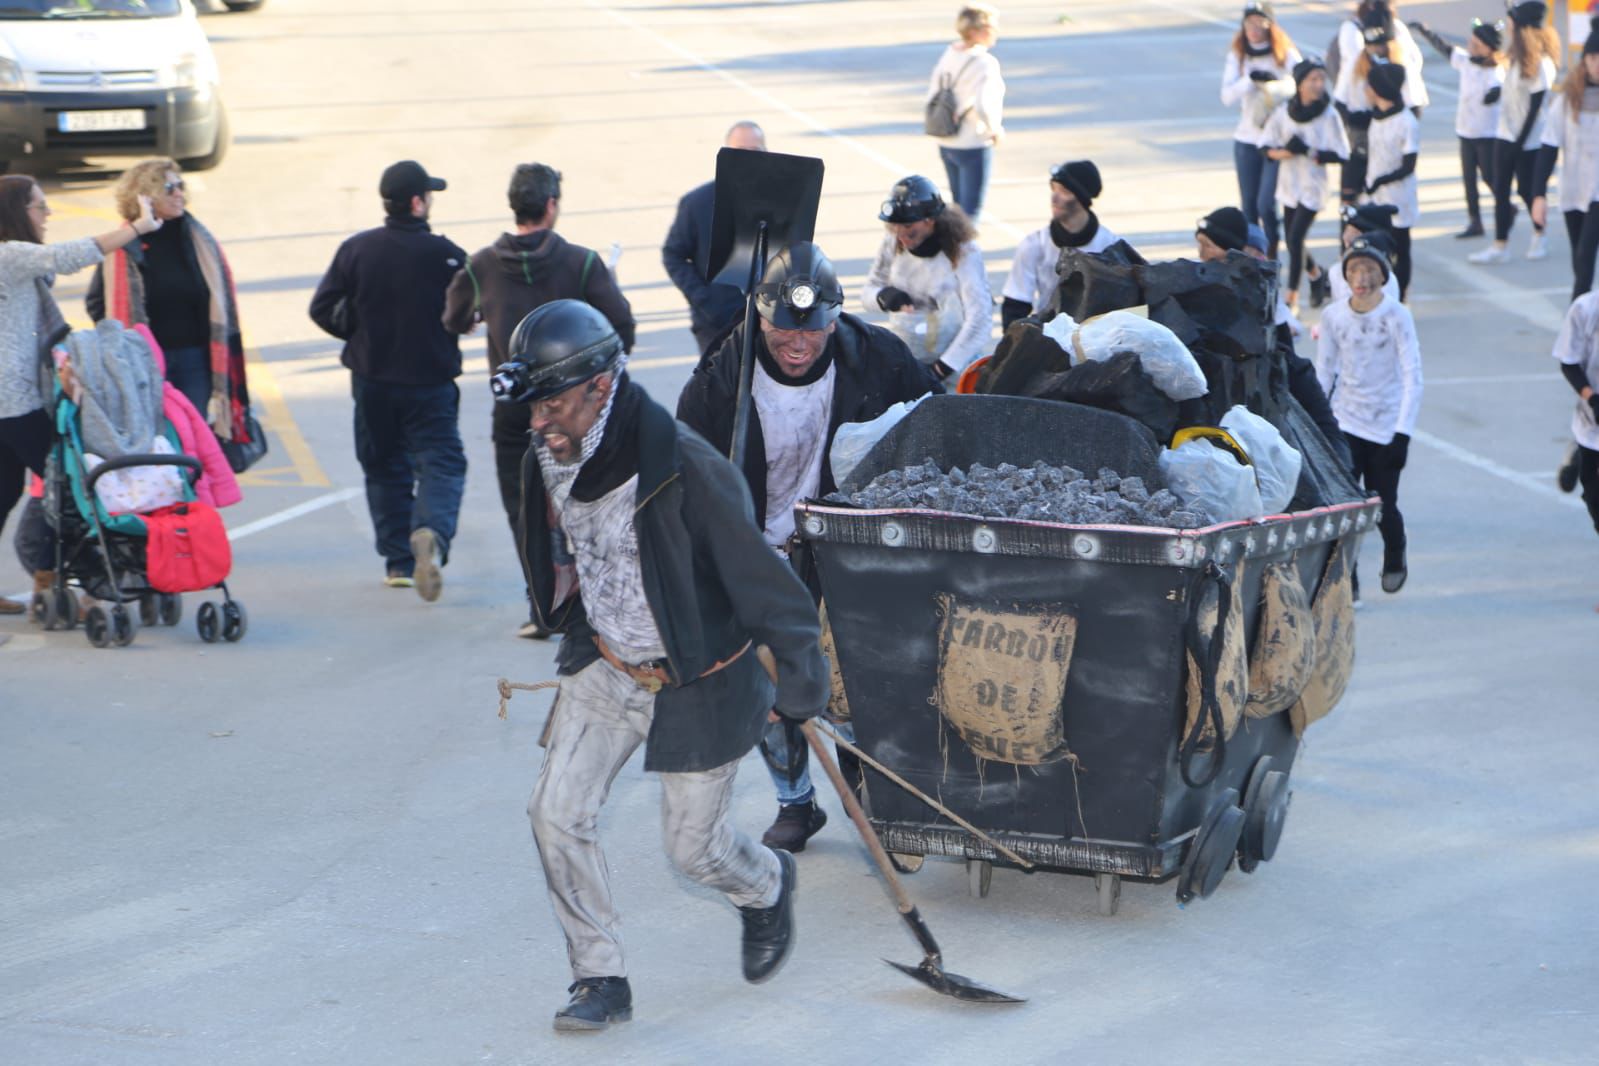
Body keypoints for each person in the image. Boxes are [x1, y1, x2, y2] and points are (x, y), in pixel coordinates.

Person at [503, 299, 827, 1031]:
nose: (535, 423)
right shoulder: (548, 452)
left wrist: (801, 689)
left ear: (601, 384)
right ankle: (599, 977)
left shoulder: (687, 469)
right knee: (554, 813)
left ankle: (766, 885)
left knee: (694, 850)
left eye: (550, 403)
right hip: (607, 662)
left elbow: (771, 591)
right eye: (531, 406)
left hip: (695, 679)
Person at [676, 242, 941, 851]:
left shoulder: (878, 357)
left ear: (835, 317)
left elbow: (935, 421)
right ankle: (796, 799)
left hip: (848, 548)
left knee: (866, 677)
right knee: (768, 688)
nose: (797, 345)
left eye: (812, 332)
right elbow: (682, 474)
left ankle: (875, 787)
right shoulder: (724, 376)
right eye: (782, 332)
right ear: (760, 318)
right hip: (759, 553)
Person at [442, 162, 634, 637]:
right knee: (588, 497)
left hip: (515, 410)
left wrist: (475, 320)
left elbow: (452, 317)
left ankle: (541, 605)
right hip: (579, 412)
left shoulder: (482, 264)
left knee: (522, 504)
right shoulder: (582, 263)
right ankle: (593, 603)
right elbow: (622, 331)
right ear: (551, 206)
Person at [309, 160, 468, 602]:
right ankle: (432, 531)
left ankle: (399, 561)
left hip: (373, 379)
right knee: (441, 460)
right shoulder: (447, 255)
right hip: (430, 381)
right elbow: (472, 310)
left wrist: (359, 332)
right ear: (417, 203)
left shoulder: (358, 250)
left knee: (383, 465)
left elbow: (323, 307)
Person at [0, 176, 159, 615]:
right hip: (13, 401)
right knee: (71, 487)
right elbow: (68, 256)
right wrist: (137, 228)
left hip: (10, 400)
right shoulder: (9, 255)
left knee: (6, 490)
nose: (47, 215)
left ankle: (53, 580)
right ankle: (80, 582)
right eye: (39, 207)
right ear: (17, 212)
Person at [86, 158, 252, 449]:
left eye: (181, 186)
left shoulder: (198, 238)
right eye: (169, 187)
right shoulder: (124, 243)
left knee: (191, 437)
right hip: (144, 362)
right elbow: (98, 303)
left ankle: (190, 492)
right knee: (153, 439)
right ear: (144, 196)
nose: (179, 193)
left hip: (193, 359)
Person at [1315, 236, 1422, 595]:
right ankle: (1350, 580)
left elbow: (1413, 376)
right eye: (1354, 270)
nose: (1361, 277)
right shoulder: (1333, 316)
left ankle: (1395, 550)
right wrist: (1319, 421)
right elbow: (1325, 370)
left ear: (1382, 275)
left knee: (1382, 504)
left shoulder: (1396, 316)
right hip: (1346, 421)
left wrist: (1402, 434)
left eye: (1369, 270)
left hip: (1385, 426)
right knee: (1344, 507)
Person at [860, 176, 991, 384]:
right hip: (910, 358)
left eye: (909, 227)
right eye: (895, 226)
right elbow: (867, 293)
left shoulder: (964, 252)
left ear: (930, 220)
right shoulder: (892, 242)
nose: (901, 234)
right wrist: (884, 296)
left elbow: (980, 321)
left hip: (956, 363)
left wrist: (941, 369)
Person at [662, 121, 767, 355]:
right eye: (739, 152)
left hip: (769, 324)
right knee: (717, 389)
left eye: (756, 152)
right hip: (716, 325)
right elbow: (673, 255)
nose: (748, 159)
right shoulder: (697, 203)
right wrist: (705, 299)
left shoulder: (780, 202)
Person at [1470, 2, 1559, 265]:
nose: (1508, 25)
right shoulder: (1516, 57)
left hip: (1529, 140)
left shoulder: (1541, 63)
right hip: (1504, 134)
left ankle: (1539, 234)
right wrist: (1498, 94)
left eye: (1513, 21)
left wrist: (1520, 142)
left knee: (1527, 190)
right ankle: (1500, 244)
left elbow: (1536, 106)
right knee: (1500, 189)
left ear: (1524, 27)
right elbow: (1512, 91)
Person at [1262, 57, 1350, 311]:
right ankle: (1315, 274)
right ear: (1300, 84)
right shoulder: (1284, 113)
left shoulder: (1329, 115)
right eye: (1313, 79)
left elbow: (1343, 153)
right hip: (1289, 184)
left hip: (1313, 186)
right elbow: (1265, 147)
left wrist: (1311, 152)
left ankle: (1291, 298)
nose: (1318, 84)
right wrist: (1286, 153)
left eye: (1322, 79)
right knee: (1292, 240)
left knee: (1295, 237)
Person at [1410, 17, 1505, 239]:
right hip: (1465, 132)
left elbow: (1498, 90)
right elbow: (1445, 48)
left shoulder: (1495, 72)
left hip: (1486, 134)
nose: (1471, 46)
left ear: (1488, 48)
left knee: (1490, 177)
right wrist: (1426, 31)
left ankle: (1505, 207)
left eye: (1476, 43)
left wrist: (1496, 94)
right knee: (1469, 181)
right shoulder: (1466, 61)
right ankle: (1475, 221)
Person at [1220, 3, 1300, 260]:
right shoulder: (1239, 55)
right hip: (1247, 139)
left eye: (1259, 23)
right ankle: (1252, 261)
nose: (1254, 29)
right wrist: (1250, 80)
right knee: (1249, 207)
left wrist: (1276, 85)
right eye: (1249, 24)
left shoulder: (1283, 53)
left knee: (1267, 205)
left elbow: (1303, 82)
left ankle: (1272, 256)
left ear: (1270, 24)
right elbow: (1226, 96)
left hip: (1275, 141)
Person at [1000, 159, 1121, 327]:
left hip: (1097, 339)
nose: (1054, 198)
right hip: (1048, 337)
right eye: (1053, 189)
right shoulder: (1034, 245)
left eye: (1064, 191)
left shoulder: (1111, 246)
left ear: (1083, 198)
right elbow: (1015, 305)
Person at [1333, 2, 1429, 204]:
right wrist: (1353, 129)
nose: (1376, 51)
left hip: (1390, 139)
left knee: (1385, 202)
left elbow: (1415, 105)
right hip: (1360, 135)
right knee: (1350, 198)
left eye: (1382, 46)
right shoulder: (1355, 62)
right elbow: (1340, 101)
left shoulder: (1401, 68)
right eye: (1371, 46)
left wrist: (1398, 131)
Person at [1532, 19, 1599, 300]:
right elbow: (1548, 145)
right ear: (1584, 60)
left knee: (1585, 259)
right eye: (1593, 57)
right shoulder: (1568, 100)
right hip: (1573, 189)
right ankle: (1586, 320)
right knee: (1578, 260)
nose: (1597, 64)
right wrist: (1538, 194)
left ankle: (1575, 326)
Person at [927, 5, 1005, 218]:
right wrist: (994, 129)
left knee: (958, 208)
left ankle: (954, 248)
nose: (996, 31)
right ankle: (964, 251)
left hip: (947, 140)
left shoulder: (950, 53)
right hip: (973, 141)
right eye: (991, 27)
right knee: (971, 212)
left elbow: (933, 93)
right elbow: (982, 104)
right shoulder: (985, 62)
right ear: (976, 31)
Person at [1359, 61, 1419, 299]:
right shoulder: (1376, 116)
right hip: (1374, 194)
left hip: (1398, 195)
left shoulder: (1407, 122)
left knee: (1400, 247)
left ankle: (1401, 296)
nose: (1365, 88)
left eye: (1369, 85)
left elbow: (1409, 166)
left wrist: (1381, 180)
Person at [1551, 289, 1599, 539]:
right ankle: (1579, 453)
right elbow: (1569, 363)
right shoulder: (1585, 309)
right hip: (1592, 419)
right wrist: (1591, 397)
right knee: (1594, 497)